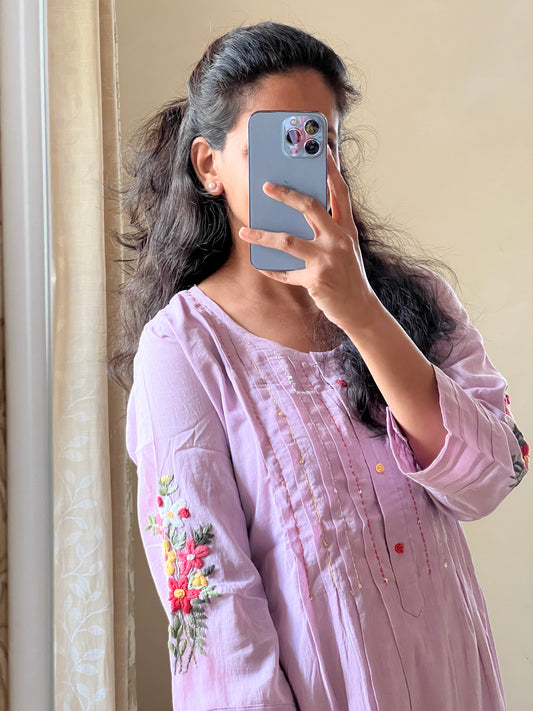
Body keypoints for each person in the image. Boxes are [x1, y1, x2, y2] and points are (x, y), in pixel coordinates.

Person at [111, 21, 529, 711]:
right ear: (209, 165)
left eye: (316, 142)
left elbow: (493, 476)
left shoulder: (417, 301)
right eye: (271, 145)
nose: (300, 170)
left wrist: (360, 311)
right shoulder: (183, 351)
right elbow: (216, 622)